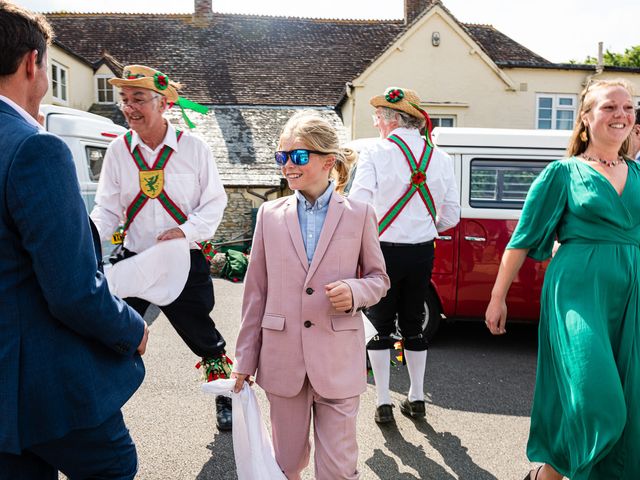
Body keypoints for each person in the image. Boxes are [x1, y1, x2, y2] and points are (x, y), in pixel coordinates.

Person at [0, 3, 148, 479]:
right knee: (114, 469)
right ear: (31, 63)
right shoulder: (34, 147)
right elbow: (73, 290)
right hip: (46, 388)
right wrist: (132, 329)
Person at [485, 79, 639, 480]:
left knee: (630, 400)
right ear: (586, 119)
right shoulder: (563, 173)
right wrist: (497, 297)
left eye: (628, 107)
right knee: (595, 397)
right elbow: (521, 240)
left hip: (631, 295)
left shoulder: (638, 173)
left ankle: (549, 476)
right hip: (576, 293)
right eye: (609, 107)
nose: (621, 114)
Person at [231, 111, 390, 480]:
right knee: (286, 465)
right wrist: (244, 359)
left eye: (298, 156)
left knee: (337, 469)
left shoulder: (359, 214)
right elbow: (256, 292)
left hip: (338, 361)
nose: (288, 165)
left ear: (328, 161)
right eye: (281, 156)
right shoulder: (269, 215)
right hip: (282, 360)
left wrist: (354, 290)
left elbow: (379, 278)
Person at [90, 65, 233, 430]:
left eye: (138, 99)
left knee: (203, 335)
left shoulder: (194, 148)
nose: (129, 107)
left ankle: (224, 394)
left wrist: (185, 232)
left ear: (165, 104)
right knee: (111, 331)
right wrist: (88, 238)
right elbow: (107, 208)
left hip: (183, 260)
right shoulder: (118, 150)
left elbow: (214, 202)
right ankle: (102, 402)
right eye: (124, 100)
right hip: (135, 259)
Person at [349, 87, 460, 424]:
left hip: (382, 251)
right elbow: (451, 216)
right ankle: (415, 396)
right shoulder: (441, 159)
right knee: (413, 325)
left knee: (380, 325)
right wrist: (423, 226)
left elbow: (360, 204)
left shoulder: (374, 153)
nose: (376, 123)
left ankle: (383, 400)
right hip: (423, 252)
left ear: (391, 119)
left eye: (378, 117)